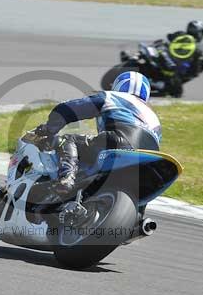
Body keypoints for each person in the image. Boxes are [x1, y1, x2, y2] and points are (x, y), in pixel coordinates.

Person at [34, 71, 161, 202]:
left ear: (118, 86)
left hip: (119, 141)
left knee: (67, 139)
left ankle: (67, 177)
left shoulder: (113, 96)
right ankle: (138, 219)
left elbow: (68, 109)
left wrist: (49, 129)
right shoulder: (154, 117)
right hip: (149, 158)